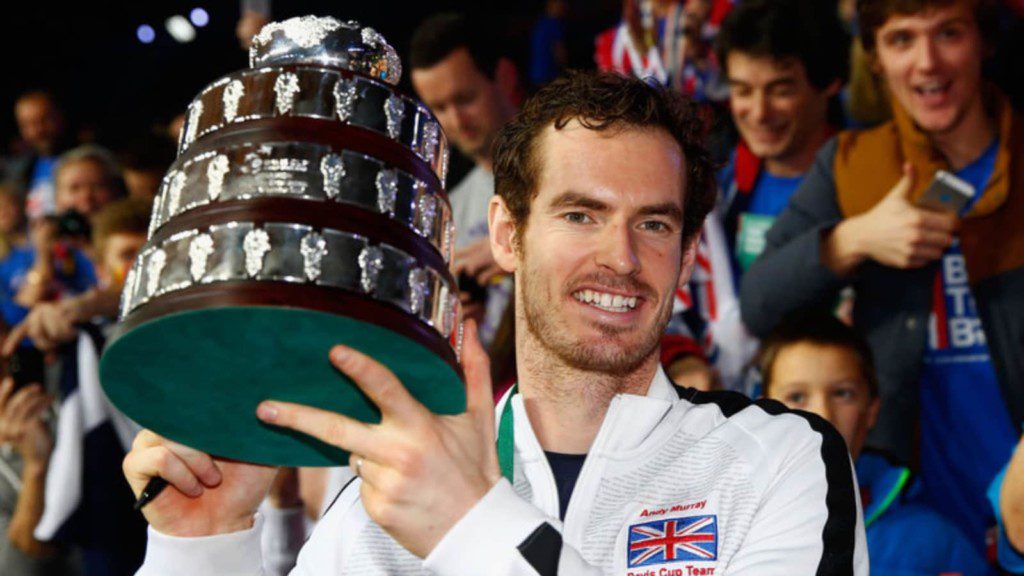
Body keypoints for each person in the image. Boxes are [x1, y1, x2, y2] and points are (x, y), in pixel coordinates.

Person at [123, 71, 866, 575]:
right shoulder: (381, 495)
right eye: (581, 215)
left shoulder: (778, 457)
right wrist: (202, 545)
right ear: (507, 235)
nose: (623, 257)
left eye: (655, 224)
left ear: (687, 252)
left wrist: (469, 524)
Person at [739, 0, 1022, 563]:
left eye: (948, 33)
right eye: (901, 40)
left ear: (983, 41)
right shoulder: (853, 163)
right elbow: (759, 302)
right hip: (911, 510)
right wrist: (853, 240)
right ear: (874, 57)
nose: (927, 62)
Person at [660, 0, 850, 393]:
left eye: (780, 90)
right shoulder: (716, 189)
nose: (759, 113)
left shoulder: (863, 182)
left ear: (829, 83)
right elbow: (672, 298)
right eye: (743, 91)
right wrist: (685, 358)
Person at [760, 313, 993, 575]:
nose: (822, 415)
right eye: (797, 396)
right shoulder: (726, 529)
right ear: (760, 414)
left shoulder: (930, 542)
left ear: (871, 410)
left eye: (842, 394)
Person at [409, 13, 521, 353]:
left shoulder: (568, 160)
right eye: (439, 107)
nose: (456, 120)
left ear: (503, 76)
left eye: (465, 98)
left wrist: (526, 248)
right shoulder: (450, 209)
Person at [3, 90, 74, 220]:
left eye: (45, 120)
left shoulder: (88, 164)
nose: (38, 130)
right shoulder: (22, 171)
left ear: (61, 117)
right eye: (28, 124)